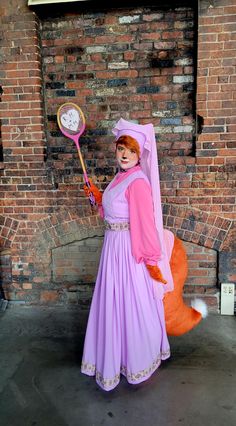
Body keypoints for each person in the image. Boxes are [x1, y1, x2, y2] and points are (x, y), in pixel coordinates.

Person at [81, 118, 176, 391]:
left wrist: (150, 260)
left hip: (128, 252)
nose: (124, 154)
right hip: (113, 247)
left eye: (131, 151)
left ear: (139, 155)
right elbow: (111, 212)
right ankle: (115, 356)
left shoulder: (138, 182)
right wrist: (97, 197)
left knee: (130, 301)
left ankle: (136, 358)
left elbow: (145, 226)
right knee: (114, 301)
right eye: (121, 148)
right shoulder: (119, 178)